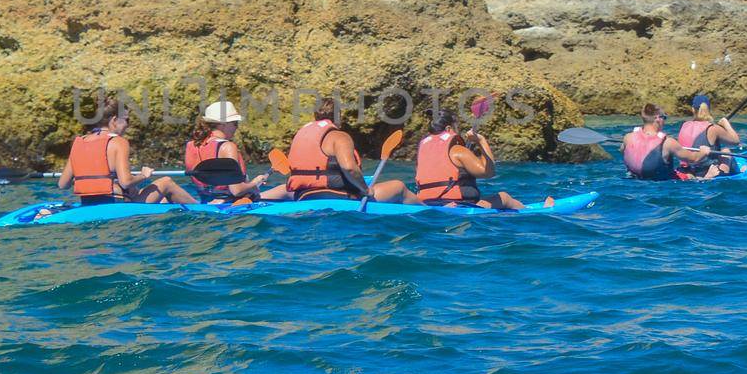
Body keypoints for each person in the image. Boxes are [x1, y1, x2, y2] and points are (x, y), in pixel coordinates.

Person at [58, 98, 194, 205]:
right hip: (116, 203)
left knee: (149, 195)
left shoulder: (80, 142)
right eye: (127, 120)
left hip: (88, 202)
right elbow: (126, 182)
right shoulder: (118, 142)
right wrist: (143, 175)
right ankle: (204, 208)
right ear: (114, 120)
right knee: (166, 181)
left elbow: (63, 184)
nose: (128, 125)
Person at [284, 97, 413, 202]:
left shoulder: (301, 135)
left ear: (315, 115)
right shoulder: (340, 137)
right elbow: (349, 168)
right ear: (338, 116)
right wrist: (366, 190)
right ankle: (429, 210)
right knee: (399, 187)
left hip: (304, 196)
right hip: (338, 196)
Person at [414, 107, 523, 209]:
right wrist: (480, 141)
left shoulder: (422, 150)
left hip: (427, 204)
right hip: (458, 206)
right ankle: (528, 210)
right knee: (503, 197)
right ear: (448, 128)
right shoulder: (457, 151)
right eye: (457, 128)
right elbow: (488, 172)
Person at [183, 102, 287, 203]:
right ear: (223, 124)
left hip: (205, 201)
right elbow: (237, 190)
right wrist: (255, 182)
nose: (236, 127)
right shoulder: (227, 147)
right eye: (235, 123)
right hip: (231, 203)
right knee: (285, 189)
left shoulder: (191, 145)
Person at [622, 103, 717, 181]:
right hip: (662, 184)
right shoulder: (668, 143)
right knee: (690, 176)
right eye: (664, 118)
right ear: (658, 118)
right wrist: (703, 152)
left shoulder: (628, 138)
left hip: (634, 181)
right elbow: (693, 159)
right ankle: (707, 177)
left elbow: (622, 150)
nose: (664, 121)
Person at [676, 94, 742, 176]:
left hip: (688, 171)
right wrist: (726, 124)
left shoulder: (684, 125)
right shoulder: (713, 128)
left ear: (693, 109)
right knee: (726, 151)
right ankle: (736, 173)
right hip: (707, 171)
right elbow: (736, 141)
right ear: (708, 110)